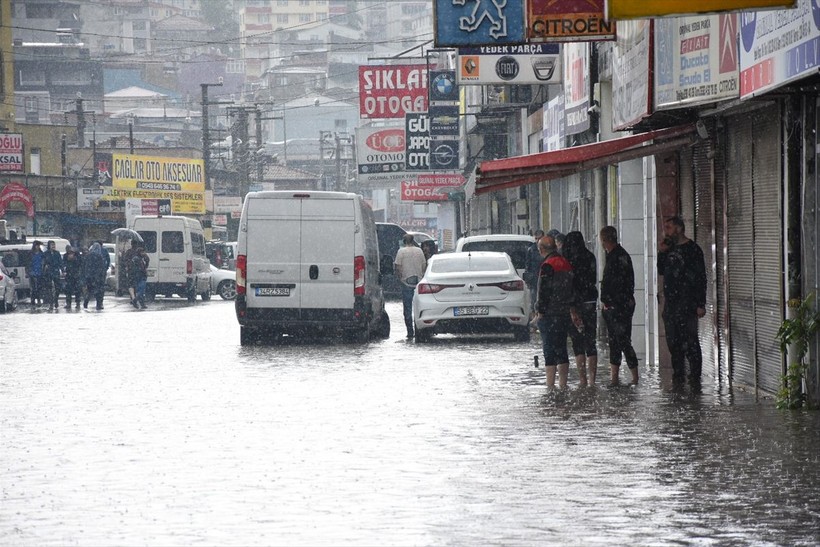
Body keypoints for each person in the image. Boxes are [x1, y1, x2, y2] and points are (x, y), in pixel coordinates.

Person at [657, 216, 707, 385]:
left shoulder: (693, 249)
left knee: (691, 343)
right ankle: (678, 378)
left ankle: (695, 379)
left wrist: (700, 304)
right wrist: (662, 252)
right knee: (673, 343)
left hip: (688, 304)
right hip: (671, 305)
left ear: (679, 228)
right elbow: (661, 271)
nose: (667, 231)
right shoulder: (669, 250)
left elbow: (701, 278)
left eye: (669, 228)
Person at [535, 234, 576, 390]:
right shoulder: (565, 263)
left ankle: (550, 386)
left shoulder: (547, 265)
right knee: (562, 348)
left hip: (550, 314)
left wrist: (540, 311)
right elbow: (572, 288)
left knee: (549, 350)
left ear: (542, 249)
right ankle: (563, 385)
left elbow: (544, 292)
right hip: (564, 313)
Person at [600, 226, 639, 386]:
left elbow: (618, 283)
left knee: (622, 341)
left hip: (618, 307)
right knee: (615, 342)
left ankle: (634, 377)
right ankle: (615, 378)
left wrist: (611, 302)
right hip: (618, 305)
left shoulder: (618, 256)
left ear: (604, 240)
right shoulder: (618, 255)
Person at [562, 231, 599, 387]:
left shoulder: (568, 260)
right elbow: (592, 279)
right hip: (590, 301)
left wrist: (571, 307)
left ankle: (582, 380)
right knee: (590, 341)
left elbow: (568, 285)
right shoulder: (590, 256)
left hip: (574, 304)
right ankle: (592, 381)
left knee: (578, 343)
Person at [394, 233, 427, 338]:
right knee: (419, 307)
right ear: (413, 241)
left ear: (404, 242)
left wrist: (400, 278)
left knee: (407, 309)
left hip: (406, 283)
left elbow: (398, 267)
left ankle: (410, 332)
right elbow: (424, 266)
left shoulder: (401, 252)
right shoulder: (419, 251)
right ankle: (419, 329)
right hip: (419, 284)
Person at [524, 229, 545, 319]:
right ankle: (535, 319)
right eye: (536, 238)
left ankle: (540, 318)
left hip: (544, 279)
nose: (537, 241)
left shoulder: (547, 248)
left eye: (539, 238)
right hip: (534, 280)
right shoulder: (531, 250)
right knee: (534, 301)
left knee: (543, 300)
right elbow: (527, 266)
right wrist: (529, 278)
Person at [83, 242, 108, 310]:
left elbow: (85, 266)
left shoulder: (88, 256)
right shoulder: (99, 256)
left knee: (90, 290)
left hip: (89, 277)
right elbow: (101, 267)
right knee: (99, 291)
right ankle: (99, 304)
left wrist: (86, 276)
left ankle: (86, 302)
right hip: (98, 277)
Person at [42, 240, 63, 311]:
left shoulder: (57, 253)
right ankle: (51, 302)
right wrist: (44, 268)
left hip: (56, 271)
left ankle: (56, 299)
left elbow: (60, 262)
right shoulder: (45, 254)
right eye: (51, 245)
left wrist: (62, 270)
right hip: (48, 272)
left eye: (54, 245)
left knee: (58, 287)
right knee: (49, 288)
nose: (53, 246)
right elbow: (43, 263)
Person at [128, 244, 149, 309]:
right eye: (143, 252)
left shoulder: (139, 258)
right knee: (141, 290)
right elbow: (142, 268)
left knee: (140, 290)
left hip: (137, 276)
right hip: (140, 277)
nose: (144, 253)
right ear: (140, 252)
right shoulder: (138, 259)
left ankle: (140, 303)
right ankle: (136, 300)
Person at [28, 241, 45, 308]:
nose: (37, 247)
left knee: (39, 288)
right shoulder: (31, 254)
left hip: (40, 272)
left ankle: (38, 300)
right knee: (33, 288)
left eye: (38, 246)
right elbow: (28, 263)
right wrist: (29, 271)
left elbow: (43, 262)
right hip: (32, 273)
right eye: (36, 245)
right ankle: (33, 300)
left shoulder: (41, 254)